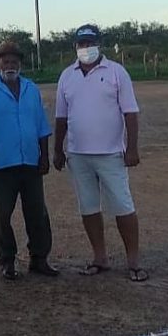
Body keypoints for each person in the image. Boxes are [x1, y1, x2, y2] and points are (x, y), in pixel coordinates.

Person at [53, 24, 147, 282]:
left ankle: (133, 261)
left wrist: (132, 148)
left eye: (90, 43)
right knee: (89, 207)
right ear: (75, 46)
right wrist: (58, 150)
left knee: (123, 206)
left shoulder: (116, 72)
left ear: (99, 44)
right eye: (82, 44)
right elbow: (61, 117)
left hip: (111, 154)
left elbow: (130, 112)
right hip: (78, 155)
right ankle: (99, 257)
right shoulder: (67, 76)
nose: (86, 48)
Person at [0, 42, 59, 280]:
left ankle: (39, 258)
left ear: (20, 64)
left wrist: (44, 156)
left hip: (30, 161)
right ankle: (7, 259)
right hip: (2, 163)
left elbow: (41, 125)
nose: (10, 65)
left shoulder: (31, 88)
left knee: (37, 212)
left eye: (14, 62)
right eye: (5, 61)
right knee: (2, 215)